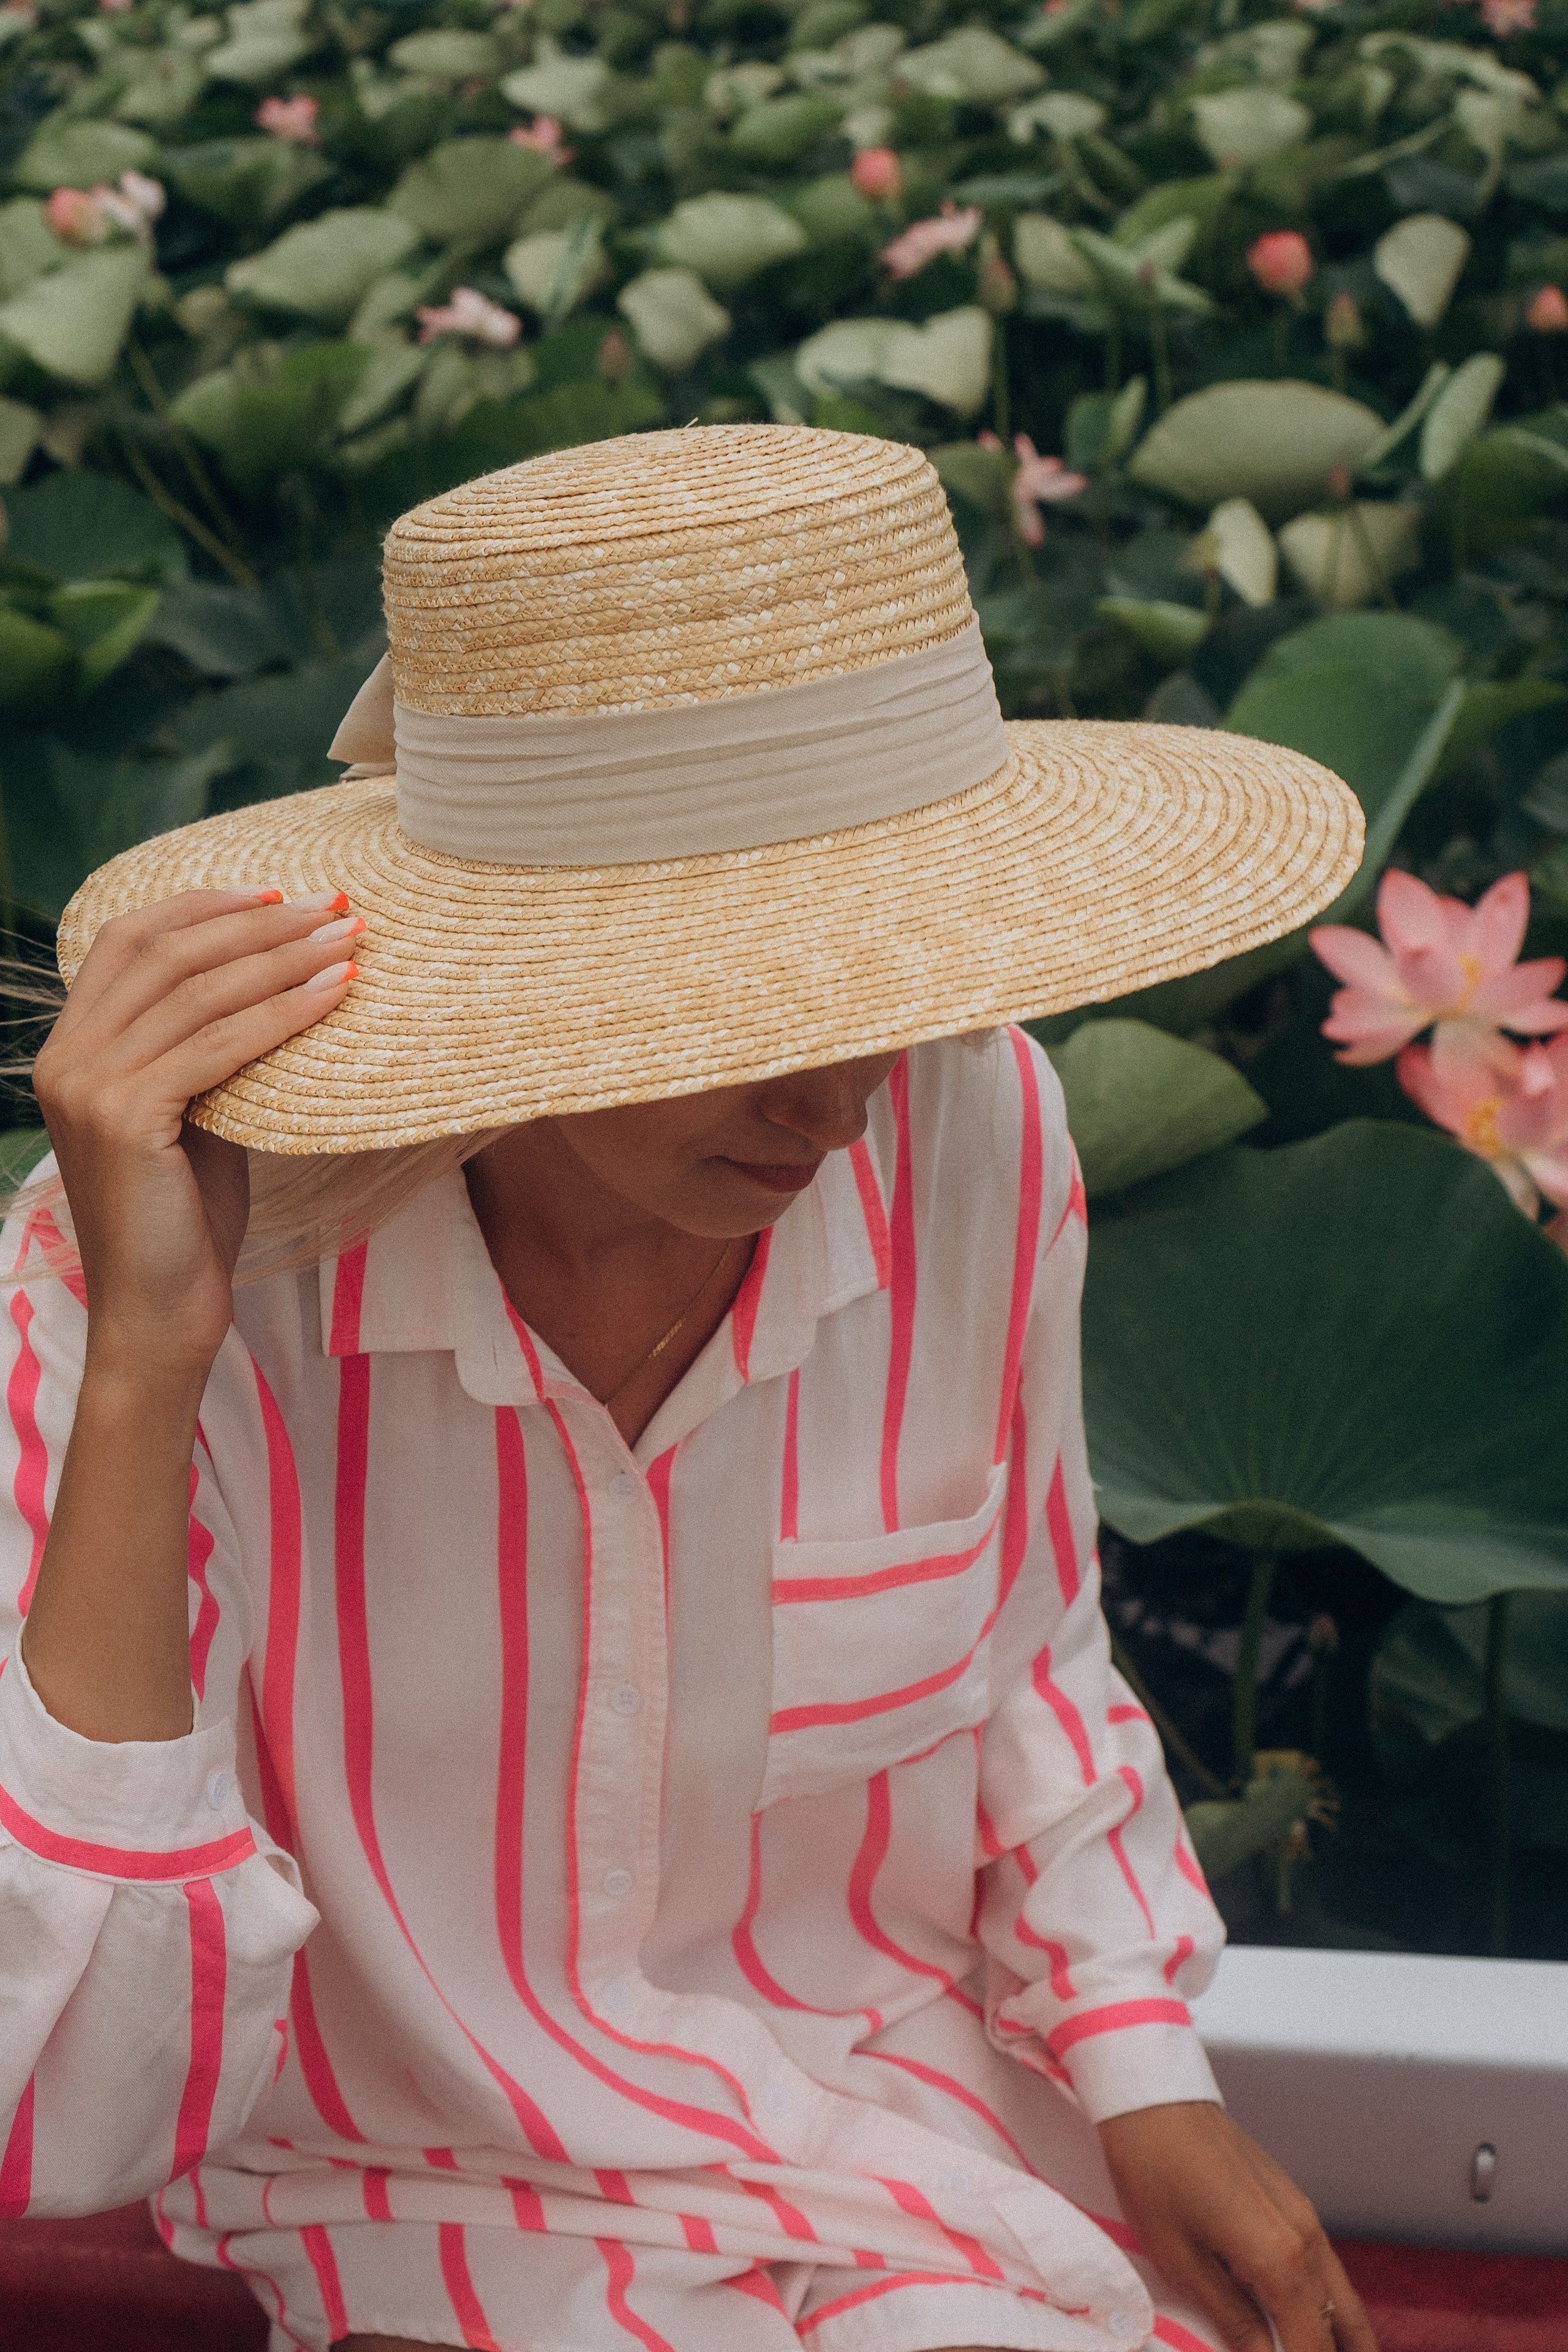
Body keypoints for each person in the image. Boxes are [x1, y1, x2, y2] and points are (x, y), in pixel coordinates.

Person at [0, 426, 1374, 2352]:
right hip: (419, 2203)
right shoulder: (178, 1282)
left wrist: (1147, 2066)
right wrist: (151, 1366)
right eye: (734, 1007)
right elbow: (58, 2096)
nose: (838, 1096)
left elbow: (1031, 1655)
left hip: (898, 2146)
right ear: (506, 969)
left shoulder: (974, 1114)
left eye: (889, 973)